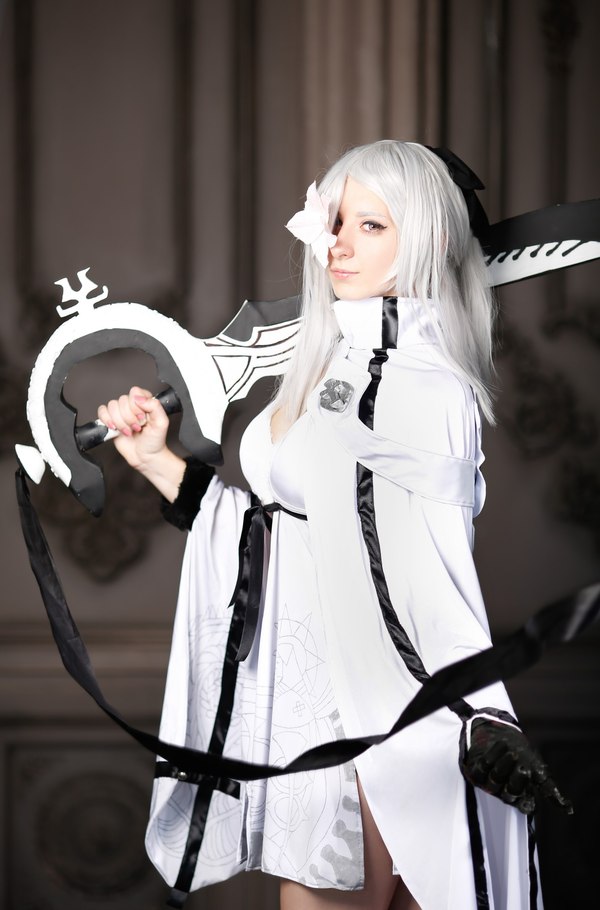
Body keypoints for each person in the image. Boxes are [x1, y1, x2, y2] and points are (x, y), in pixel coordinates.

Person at [98, 141, 564, 910]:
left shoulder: (410, 383)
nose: (339, 244)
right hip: (324, 715)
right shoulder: (343, 365)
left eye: (371, 225)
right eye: (336, 221)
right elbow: (289, 537)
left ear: (429, 239)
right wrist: (160, 463)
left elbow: (415, 577)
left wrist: (463, 715)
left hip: (377, 722)